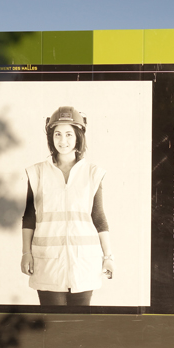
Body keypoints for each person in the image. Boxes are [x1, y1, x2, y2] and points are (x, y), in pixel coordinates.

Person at [20, 106, 115, 306]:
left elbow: (99, 218)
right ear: (51, 138)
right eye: (58, 134)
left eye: (69, 134)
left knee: (79, 329)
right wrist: (26, 253)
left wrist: (108, 257)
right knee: (53, 327)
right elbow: (29, 217)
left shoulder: (92, 173)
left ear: (78, 137)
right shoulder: (37, 173)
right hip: (47, 265)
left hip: (84, 265)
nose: (63, 141)